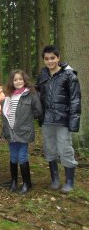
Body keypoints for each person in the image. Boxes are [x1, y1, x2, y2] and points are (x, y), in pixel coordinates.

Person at [37, 45, 81, 193]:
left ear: (58, 58)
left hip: (63, 119)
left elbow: (75, 100)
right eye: (47, 58)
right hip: (47, 120)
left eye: (52, 58)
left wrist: (73, 122)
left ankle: (69, 181)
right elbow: (38, 96)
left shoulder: (69, 75)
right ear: (43, 60)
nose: (50, 61)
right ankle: (55, 179)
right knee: (50, 148)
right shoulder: (42, 75)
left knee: (65, 148)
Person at [2, 70, 42, 194]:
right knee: (13, 156)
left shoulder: (30, 94)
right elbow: (5, 115)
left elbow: (38, 112)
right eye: (15, 80)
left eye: (20, 79)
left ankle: (27, 183)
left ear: (24, 80)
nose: (18, 81)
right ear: (11, 82)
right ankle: (14, 181)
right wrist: (5, 131)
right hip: (11, 131)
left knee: (22, 156)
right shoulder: (9, 96)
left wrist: (27, 120)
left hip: (24, 131)